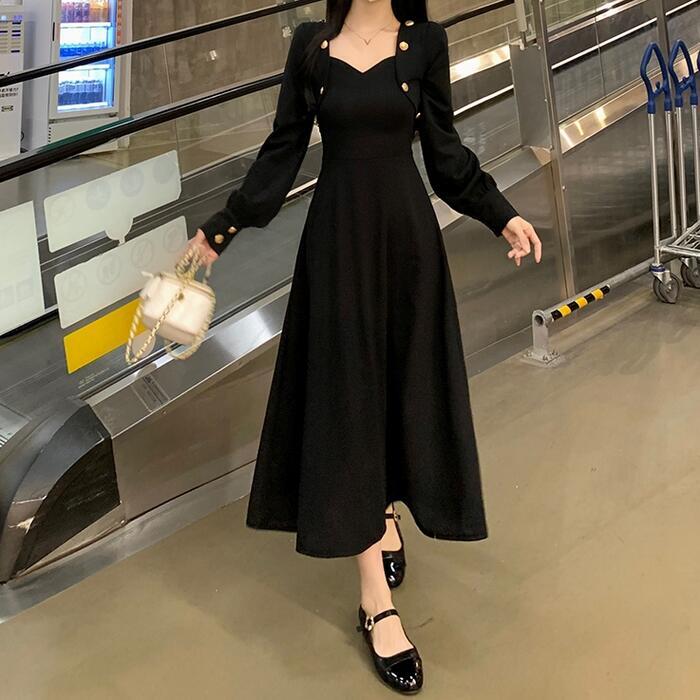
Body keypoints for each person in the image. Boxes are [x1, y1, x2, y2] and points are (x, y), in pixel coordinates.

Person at [190, 0, 542, 694]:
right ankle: (375, 602)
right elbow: (283, 150)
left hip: (407, 243)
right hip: (338, 245)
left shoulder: (425, 42)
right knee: (349, 397)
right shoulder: (311, 46)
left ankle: (382, 509)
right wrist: (223, 226)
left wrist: (500, 212)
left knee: (402, 384)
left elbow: (445, 154)